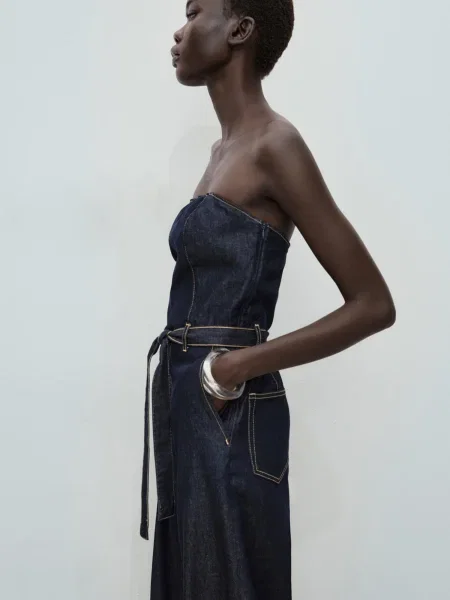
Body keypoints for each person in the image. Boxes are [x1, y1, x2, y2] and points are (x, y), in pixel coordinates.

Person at [140, 0, 396, 598]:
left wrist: (233, 368)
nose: (179, 30)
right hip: (185, 396)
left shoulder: (276, 145)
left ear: (240, 29)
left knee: (231, 580)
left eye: (195, 12)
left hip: (230, 405)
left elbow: (372, 303)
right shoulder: (221, 152)